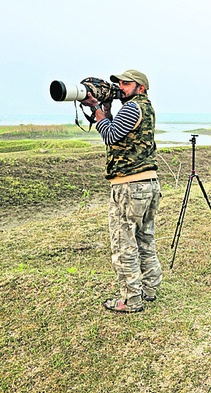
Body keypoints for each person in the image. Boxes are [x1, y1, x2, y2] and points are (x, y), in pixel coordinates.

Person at [81, 69, 162, 313]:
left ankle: (130, 301)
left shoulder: (132, 107)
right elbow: (120, 129)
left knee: (123, 243)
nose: (122, 87)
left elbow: (111, 134)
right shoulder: (145, 108)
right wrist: (105, 107)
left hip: (129, 185)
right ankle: (149, 290)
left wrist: (96, 109)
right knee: (145, 239)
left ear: (141, 87)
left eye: (127, 84)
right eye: (120, 84)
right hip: (148, 183)